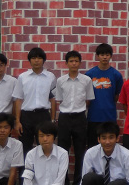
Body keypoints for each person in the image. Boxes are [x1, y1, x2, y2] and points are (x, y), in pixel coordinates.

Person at [55, 50, 95, 184]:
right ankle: (64, 181)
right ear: (66, 63)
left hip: (80, 118)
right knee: (62, 152)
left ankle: (78, 181)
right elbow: (59, 99)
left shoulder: (86, 80)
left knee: (80, 152)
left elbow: (89, 100)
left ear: (80, 63)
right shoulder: (60, 81)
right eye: (71, 61)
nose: (74, 63)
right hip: (64, 118)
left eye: (76, 61)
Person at [13, 47, 57, 156]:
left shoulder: (50, 77)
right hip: (26, 117)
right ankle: (25, 172)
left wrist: (52, 119)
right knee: (25, 148)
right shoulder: (23, 77)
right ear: (29, 60)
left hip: (43, 116)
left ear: (43, 60)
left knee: (44, 148)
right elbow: (18, 100)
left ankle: (42, 173)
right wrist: (17, 121)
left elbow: (52, 100)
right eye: (33, 58)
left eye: (39, 58)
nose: (36, 60)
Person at [85, 43, 123, 147]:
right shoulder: (89, 75)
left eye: (107, 54)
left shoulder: (116, 75)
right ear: (97, 56)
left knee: (110, 146)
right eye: (102, 54)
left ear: (111, 56)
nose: (104, 57)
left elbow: (116, 96)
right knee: (93, 146)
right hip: (93, 116)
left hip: (109, 116)